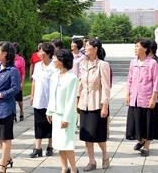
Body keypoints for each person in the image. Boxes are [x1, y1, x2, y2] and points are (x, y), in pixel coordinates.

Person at [0, 41, 21, 173]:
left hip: (6, 109)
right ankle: (8, 157)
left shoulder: (13, 71)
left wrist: (1, 95)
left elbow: (16, 89)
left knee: (5, 137)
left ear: (5, 53)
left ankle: (2, 165)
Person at [77, 38, 111, 171]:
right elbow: (80, 83)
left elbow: (106, 87)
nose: (85, 48)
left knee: (99, 134)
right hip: (84, 103)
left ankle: (105, 155)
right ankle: (91, 161)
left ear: (95, 49)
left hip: (97, 103)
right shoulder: (82, 63)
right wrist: (76, 100)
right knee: (86, 134)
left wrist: (105, 106)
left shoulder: (103, 65)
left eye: (87, 46)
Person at [125, 39, 158, 157]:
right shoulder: (132, 62)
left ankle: (146, 146)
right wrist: (127, 94)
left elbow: (156, 82)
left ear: (145, 49)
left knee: (148, 123)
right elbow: (129, 80)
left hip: (147, 98)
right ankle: (141, 139)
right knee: (137, 122)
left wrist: (153, 98)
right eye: (134, 46)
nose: (135, 48)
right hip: (135, 98)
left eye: (137, 46)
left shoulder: (152, 63)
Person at [47, 49, 79, 173]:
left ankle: (74, 169)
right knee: (59, 144)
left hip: (66, 116)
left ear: (62, 60)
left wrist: (66, 119)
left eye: (55, 58)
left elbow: (71, 101)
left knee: (67, 144)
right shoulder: (55, 75)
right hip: (55, 114)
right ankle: (64, 168)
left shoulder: (72, 78)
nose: (53, 60)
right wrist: (49, 111)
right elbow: (52, 95)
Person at [29, 42, 56, 158]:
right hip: (39, 100)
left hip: (50, 100)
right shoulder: (37, 65)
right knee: (38, 123)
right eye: (39, 51)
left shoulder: (54, 66)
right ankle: (38, 148)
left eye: (42, 51)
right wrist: (32, 95)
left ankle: (50, 146)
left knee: (51, 124)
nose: (39, 53)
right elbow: (34, 81)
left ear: (48, 53)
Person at [14, 43, 26, 122]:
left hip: (18, 82)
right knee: (11, 99)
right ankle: (13, 114)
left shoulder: (20, 59)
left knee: (19, 99)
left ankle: (21, 111)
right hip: (10, 83)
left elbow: (23, 73)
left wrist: (22, 83)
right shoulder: (8, 58)